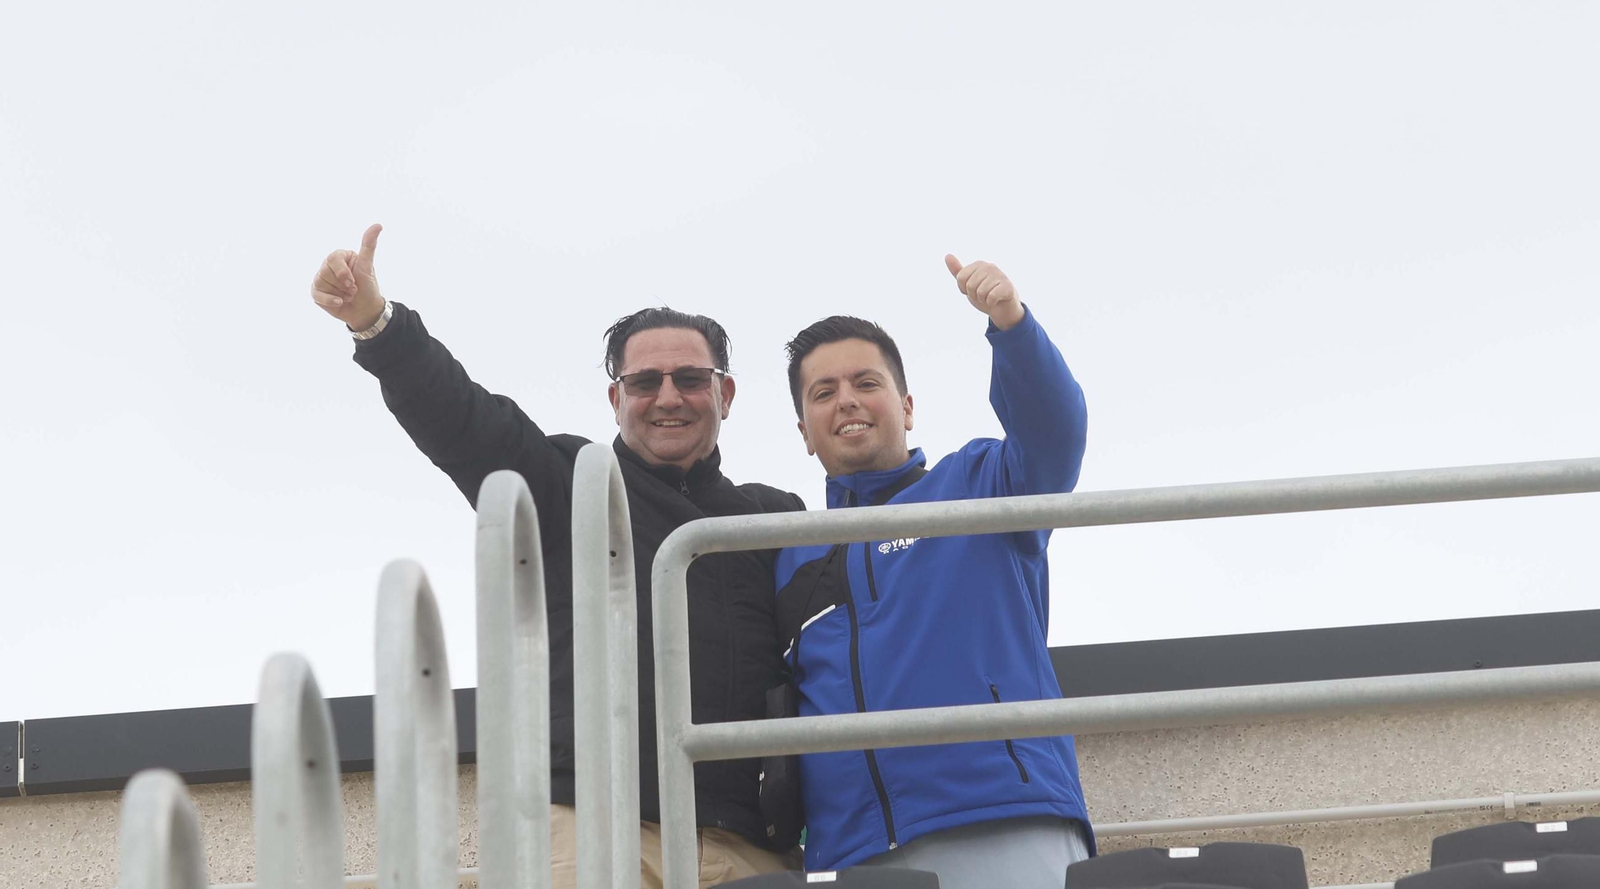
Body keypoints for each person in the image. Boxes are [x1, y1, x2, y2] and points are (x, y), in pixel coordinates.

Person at [309, 224, 804, 888]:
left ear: (725, 394)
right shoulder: (573, 480)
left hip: (749, 844)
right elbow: (465, 422)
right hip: (595, 826)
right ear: (616, 398)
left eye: (690, 378)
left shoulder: (773, 516)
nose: (667, 396)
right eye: (644, 380)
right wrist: (378, 326)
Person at [774, 254, 1093, 886]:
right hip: (852, 853)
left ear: (907, 405)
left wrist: (1011, 326)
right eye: (824, 392)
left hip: (1003, 819)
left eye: (867, 383)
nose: (847, 402)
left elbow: (1055, 432)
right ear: (805, 431)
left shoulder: (978, 483)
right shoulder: (790, 551)